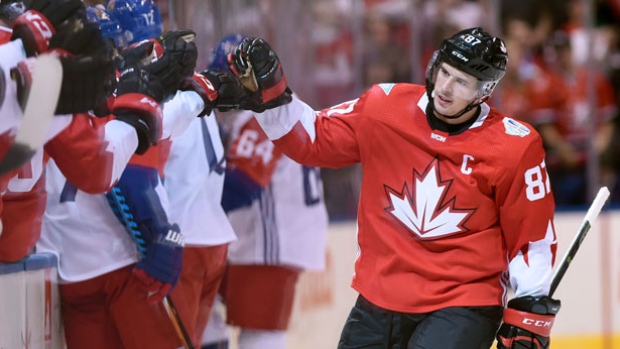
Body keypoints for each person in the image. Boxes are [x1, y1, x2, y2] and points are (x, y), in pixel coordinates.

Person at [221, 28, 561, 349]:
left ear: (484, 91)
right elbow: (312, 138)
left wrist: (530, 301)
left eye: (462, 82)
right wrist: (272, 94)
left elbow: (531, 237)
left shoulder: (514, 146)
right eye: (444, 72)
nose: (445, 87)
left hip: (463, 303)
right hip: (379, 296)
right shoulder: (384, 108)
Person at [206, 34, 329, 349]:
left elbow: (243, 186)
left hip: (271, 243)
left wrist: (189, 207)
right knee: (204, 304)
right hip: (277, 238)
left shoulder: (263, 114)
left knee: (260, 332)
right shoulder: (280, 103)